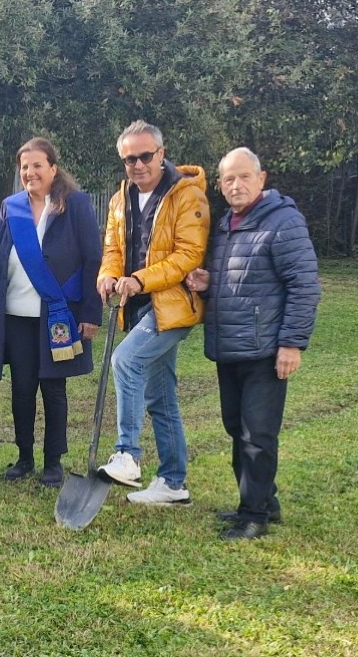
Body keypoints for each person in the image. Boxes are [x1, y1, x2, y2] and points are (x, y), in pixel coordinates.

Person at [186, 148, 321, 540]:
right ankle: (265, 501)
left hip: (265, 350)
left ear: (261, 179)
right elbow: (244, 279)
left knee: (257, 435)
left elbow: (304, 285)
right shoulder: (226, 224)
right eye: (229, 179)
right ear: (220, 185)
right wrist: (209, 284)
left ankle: (253, 516)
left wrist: (291, 344)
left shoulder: (282, 221)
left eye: (244, 176)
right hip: (230, 347)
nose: (236, 185)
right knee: (236, 427)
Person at [95, 120, 209, 505]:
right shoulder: (120, 199)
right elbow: (112, 248)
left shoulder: (187, 195)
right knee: (160, 398)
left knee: (125, 360)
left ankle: (127, 455)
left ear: (161, 153)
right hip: (140, 306)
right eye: (130, 159)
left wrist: (139, 280)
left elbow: (189, 255)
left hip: (173, 306)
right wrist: (109, 275)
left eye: (145, 156)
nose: (138, 165)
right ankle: (173, 484)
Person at [0, 138, 103, 487]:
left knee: (53, 389)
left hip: (58, 316)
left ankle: (53, 461)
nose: (30, 172)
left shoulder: (75, 204)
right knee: (22, 390)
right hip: (17, 316)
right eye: (24, 167)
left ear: (53, 168)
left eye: (37, 165)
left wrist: (91, 312)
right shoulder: (11, 207)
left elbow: (93, 259)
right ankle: (24, 457)